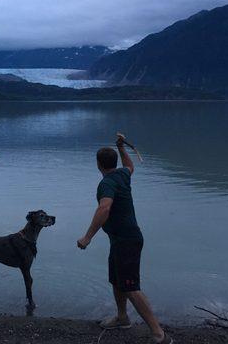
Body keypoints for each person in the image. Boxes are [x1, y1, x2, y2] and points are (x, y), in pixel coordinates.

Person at [77, 134, 173, 344]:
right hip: (121, 239)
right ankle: (122, 317)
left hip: (126, 240)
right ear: (113, 162)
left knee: (130, 286)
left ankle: (159, 334)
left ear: (98, 164)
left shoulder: (107, 184)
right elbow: (130, 165)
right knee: (117, 280)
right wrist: (121, 148)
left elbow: (104, 208)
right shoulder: (122, 174)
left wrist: (87, 237)